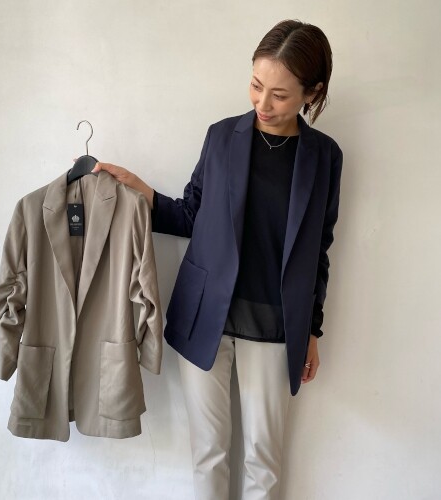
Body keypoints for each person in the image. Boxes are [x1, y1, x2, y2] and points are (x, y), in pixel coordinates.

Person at [93, 19, 343, 500]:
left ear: (312, 93)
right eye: (256, 85)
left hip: (275, 325)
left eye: (280, 95)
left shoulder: (325, 158)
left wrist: (312, 329)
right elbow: (192, 215)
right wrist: (139, 190)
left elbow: (320, 249)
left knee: (263, 460)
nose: (262, 103)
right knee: (208, 453)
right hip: (206, 314)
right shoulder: (222, 136)